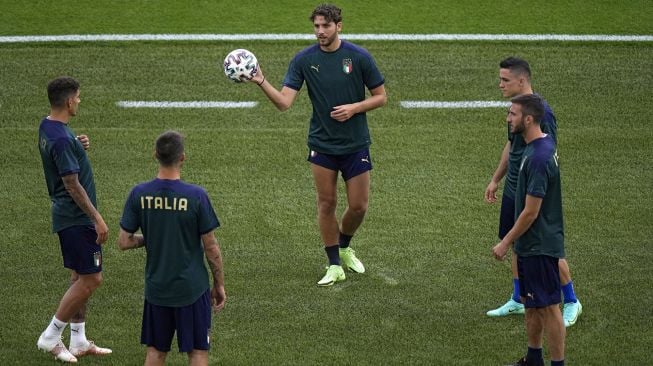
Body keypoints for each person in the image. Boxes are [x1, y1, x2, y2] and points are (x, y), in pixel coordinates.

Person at [248, 3, 387, 286]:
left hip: (355, 143)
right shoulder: (303, 60)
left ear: (339, 26)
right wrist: (261, 81)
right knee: (327, 203)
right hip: (322, 145)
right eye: (316, 27)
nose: (320, 32)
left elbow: (381, 96)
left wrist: (355, 108)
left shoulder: (358, 57)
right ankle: (334, 262)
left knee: (359, 206)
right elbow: (285, 103)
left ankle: (345, 246)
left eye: (326, 26)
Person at [484, 57, 582, 327]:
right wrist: (496, 179)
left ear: (521, 80)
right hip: (513, 188)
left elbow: (549, 153)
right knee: (516, 242)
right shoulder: (516, 110)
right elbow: (511, 145)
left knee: (546, 250)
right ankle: (518, 298)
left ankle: (572, 300)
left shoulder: (542, 114)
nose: (500, 84)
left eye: (505, 80)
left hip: (532, 192)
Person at [118, 130, 226, 366]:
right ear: (183, 157)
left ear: (155, 154)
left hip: (157, 290)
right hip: (192, 290)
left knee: (156, 353)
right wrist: (218, 284)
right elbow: (211, 248)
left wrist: (152, 236)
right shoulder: (196, 196)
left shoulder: (139, 194)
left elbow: (124, 242)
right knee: (198, 352)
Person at [37, 76, 112, 363]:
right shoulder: (60, 138)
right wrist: (97, 218)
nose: (79, 101)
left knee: (79, 275)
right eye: (78, 97)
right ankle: (51, 336)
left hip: (69, 216)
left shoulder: (50, 127)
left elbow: (63, 151)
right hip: (76, 218)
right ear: (69, 101)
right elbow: (71, 183)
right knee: (92, 279)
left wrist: (77, 144)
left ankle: (78, 339)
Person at [492, 94, 566, 366]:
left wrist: (505, 243)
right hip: (530, 245)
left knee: (548, 306)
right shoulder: (532, 147)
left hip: (539, 244)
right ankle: (534, 358)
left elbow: (531, 212)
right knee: (532, 303)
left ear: (529, 119)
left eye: (513, 114)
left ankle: (558, 363)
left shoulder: (538, 158)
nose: (508, 118)